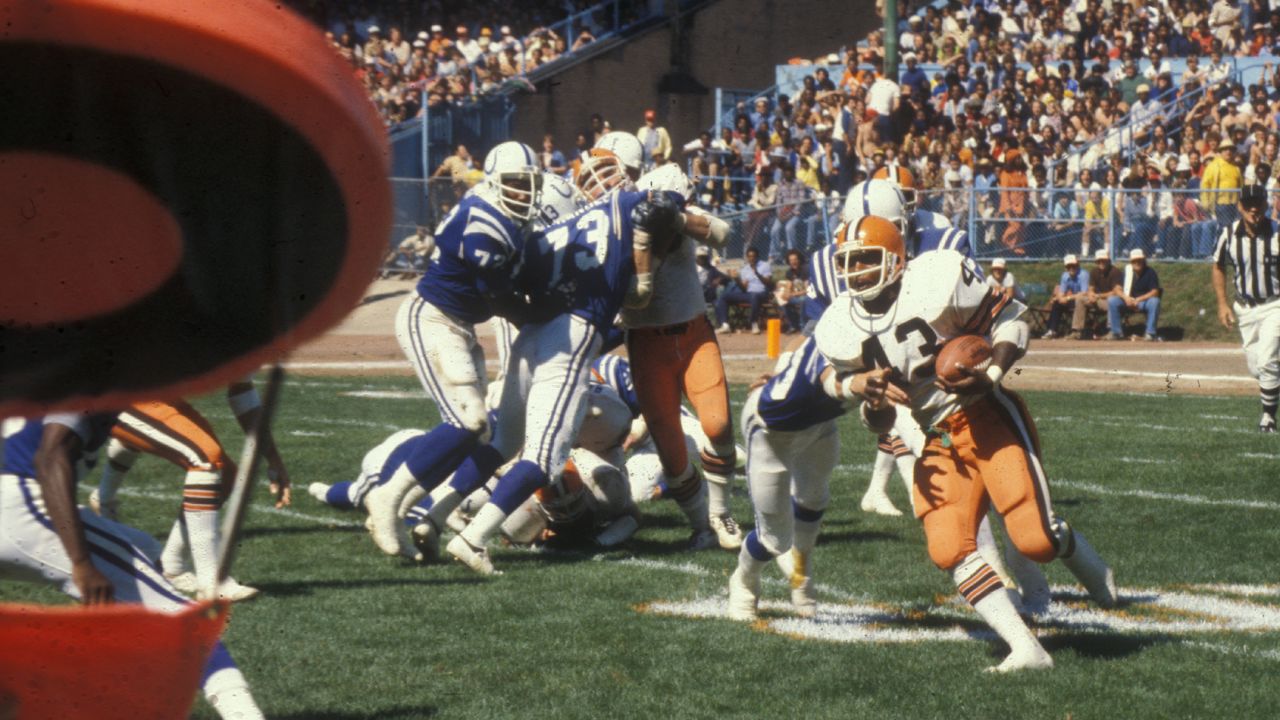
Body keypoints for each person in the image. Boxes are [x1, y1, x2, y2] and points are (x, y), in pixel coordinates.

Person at [813, 219, 1117, 672]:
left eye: (867, 259)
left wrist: (991, 373)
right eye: (848, 261)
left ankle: (1088, 565)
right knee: (948, 548)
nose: (857, 271)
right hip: (934, 434)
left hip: (986, 414)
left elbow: (1012, 318)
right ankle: (1026, 649)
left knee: (1035, 540)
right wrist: (864, 390)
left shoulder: (935, 280)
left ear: (896, 261)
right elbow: (864, 411)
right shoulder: (840, 323)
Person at [442, 189, 684, 575]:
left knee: (505, 442)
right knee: (542, 459)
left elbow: (503, 295)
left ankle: (436, 513)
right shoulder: (620, 206)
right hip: (572, 337)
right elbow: (660, 205)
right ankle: (472, 539)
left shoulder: (539, 240)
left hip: (530, 336)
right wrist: (647, 264)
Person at [0, 413, 265, 719]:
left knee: (145, 546)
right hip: (22, 510)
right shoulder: (89, 374)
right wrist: (82, 562)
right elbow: (51, 455)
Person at [364, 141, 542, 559]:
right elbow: (503, 300)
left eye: (529, 183)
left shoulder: (511, 219)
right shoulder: (484, 220)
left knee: (476, 431)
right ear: (496, 182)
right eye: (515, 183)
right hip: (432, 318)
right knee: (469, 422)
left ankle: (399, 506)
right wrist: (550, 317)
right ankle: (387, 498)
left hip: (460, 326)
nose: (524, 191)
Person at [621, 164, 742, 550]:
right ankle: (700, 525)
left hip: (692, 334)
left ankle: (720, 512)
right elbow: (636, 296)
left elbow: (722, 232)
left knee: (718, 423)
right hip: (646, 343)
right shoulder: (624, 221)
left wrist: (673, 217)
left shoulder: (680, 213)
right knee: (671, 449)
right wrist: (648, 244)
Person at [727, 335, 846, 621]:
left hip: (820, 422)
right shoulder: (846, 311)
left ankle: (801, 577)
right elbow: (805, 336)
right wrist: (786, 373)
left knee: (813, 500)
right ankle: (743, 579)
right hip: (772, 429)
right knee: (773, 539)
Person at [1212, 184, 1280, 432]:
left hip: (1275, 304)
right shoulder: (1228, 234)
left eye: (1259, 202)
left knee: (1266, 361)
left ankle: (1268, 419)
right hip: (1245, 309)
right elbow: (1218, 266)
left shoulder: (1277, 231)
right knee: (1256, 368)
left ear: (1266, 204)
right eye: (1249, 203)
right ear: (1240, 206)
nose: (1254, 208)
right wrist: (1222, 304)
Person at [1107, 248, 1162, 341]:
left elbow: (1155, 292)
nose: (1137, 263)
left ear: (1143, 260)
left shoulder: (1150, 272)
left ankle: (1150, 333)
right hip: (1128, 301)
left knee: (1155, 301)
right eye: (1134, 261)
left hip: (1143, 301)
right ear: (1131, 262)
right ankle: (1116, 332)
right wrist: (1126, 298)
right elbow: (1117, 289)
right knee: (1112, 300)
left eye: (1139, 260)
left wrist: (1138, 300)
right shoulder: (1127, 271)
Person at [715, 247, 772, 335]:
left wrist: (757, 273)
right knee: (724, 296)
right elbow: (744, 288)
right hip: (748, 294)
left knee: (754, 296)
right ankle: (725, 325)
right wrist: (737, 279)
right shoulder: (745, 269)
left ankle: (754, 323)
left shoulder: (765, 265)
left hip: (761, 293)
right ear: (747, 257)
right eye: (749, 257)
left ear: (757, 256)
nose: (751, 258)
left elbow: (768, 283)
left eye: (753, 256)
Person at [1042, 254, 1090, 339]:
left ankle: (1076, 331)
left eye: (1073, 266)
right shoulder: (1065, 275)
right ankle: (1052, 330)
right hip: (1074, 299)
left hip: (1085, 300)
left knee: (1078, 300)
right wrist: (1060, 298)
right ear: (1065, 267)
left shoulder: (1084, 274)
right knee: (1057, 303)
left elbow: (1084, 293)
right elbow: (1062, 291)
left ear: (1077, 265)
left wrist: (1067, 298)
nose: (1071, 268)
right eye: (1068, 267)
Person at [1083, 249, 1123, 339]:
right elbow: (1091, 288)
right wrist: (1091, 295)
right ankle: (1078, 330)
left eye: (1103, 260)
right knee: (1080, 300)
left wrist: (1098, 296)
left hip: (1109, 300)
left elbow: (1116, 292)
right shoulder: (1094, 271)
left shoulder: (1115, 272)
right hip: (1096, 300)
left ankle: (1110, 330)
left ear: (1108, 261)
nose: (1101, 262)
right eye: (1099, 261)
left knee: (1112, 302)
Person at [770, 164, 808, 260]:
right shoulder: (780, 185)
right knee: (774, 229)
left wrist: (791, 214)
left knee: (789, 228)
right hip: (783, 214)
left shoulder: (799, 183)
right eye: (786, 171)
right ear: (783, 173)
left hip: (796, 213)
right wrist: (779, 215)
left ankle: (792, 253)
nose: (788, 173)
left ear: (793, 173)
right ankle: (776, 255)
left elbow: (801, 201)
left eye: (790, 171)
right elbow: (778, 202)